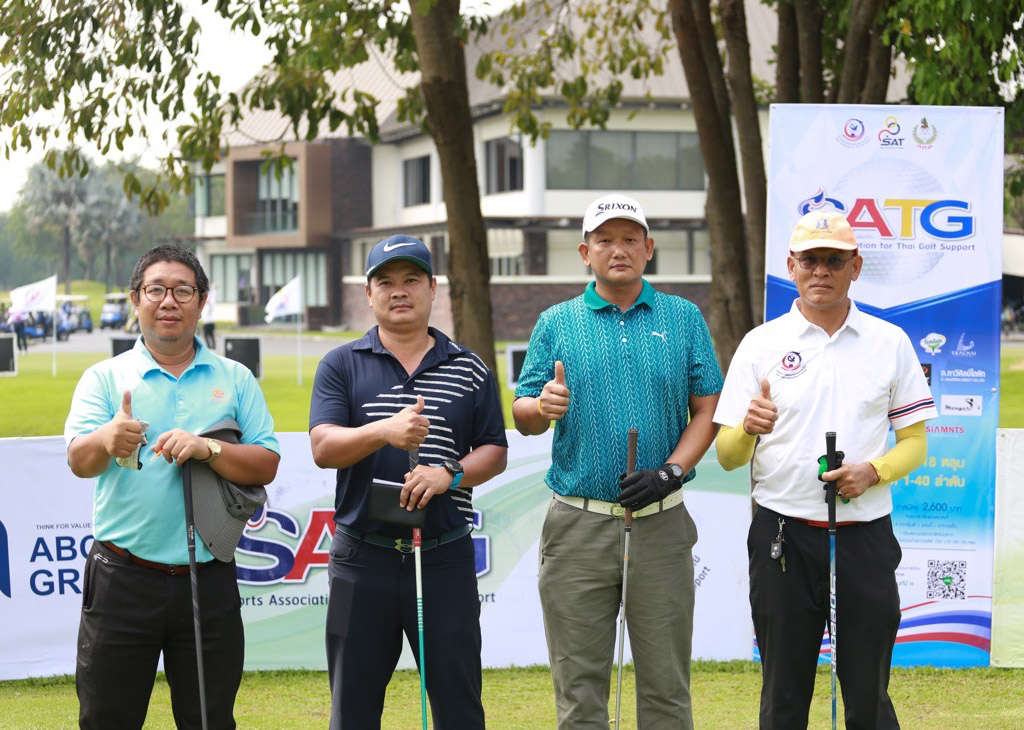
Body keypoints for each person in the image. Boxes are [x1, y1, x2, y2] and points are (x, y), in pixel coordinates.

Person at [713, 211, 936, 730]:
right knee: (784, 697)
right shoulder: (760, 343)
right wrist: (749, 427)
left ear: (855, 267)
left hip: (863, 538)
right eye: (809, 260)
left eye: (834, 260)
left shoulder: (889, 341)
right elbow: (726, 456)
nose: (821, 271)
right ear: (791, 266)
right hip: (783, 539)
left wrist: (873, 472)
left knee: (868, 695)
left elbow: (915, 444)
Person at [512, 194, 723, 729]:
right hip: (578, 525)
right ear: (585, 252)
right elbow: (523, 412)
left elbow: (708, 409)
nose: (619, 249)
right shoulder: (556, 321)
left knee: (666, 689)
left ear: (649, 248)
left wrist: (671, 471)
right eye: (605, 239)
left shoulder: (683, 317)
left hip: (661, 522)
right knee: (580, 691)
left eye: (631, 239)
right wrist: (541, 407)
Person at [64, 244, 280, 729]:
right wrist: (106, 436)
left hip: (208, 577)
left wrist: (210, 449)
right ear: (135, 300)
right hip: (122, 577)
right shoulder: (104, 378)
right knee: (106, 718)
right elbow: (79, 461)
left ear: (202, 302)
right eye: (155, 290)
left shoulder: (235, 377)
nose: (169, 301)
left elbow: (266, 463)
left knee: (209, 719)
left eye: (183, 290)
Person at [309, 235, 508, 730]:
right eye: (386, 281)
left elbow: (495, 451)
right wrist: (384, 431)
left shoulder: (470, 366)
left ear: (432, 287)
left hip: (443, 556)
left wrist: (450, 474)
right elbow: (323, 448)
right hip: (362, 557)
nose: (399, 291)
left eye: (411, 280)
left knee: (458, 704)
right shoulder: (342, 363)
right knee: (352, 708)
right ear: (369, 293)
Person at [202, 283, 217, 349]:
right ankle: (212, 347)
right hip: (209, 323)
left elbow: (212, 299)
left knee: (207, 336)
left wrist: (213, 290)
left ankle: (211, 347)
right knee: (210, 336)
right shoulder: (206, 306)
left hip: (208, 323)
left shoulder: (209, 306)